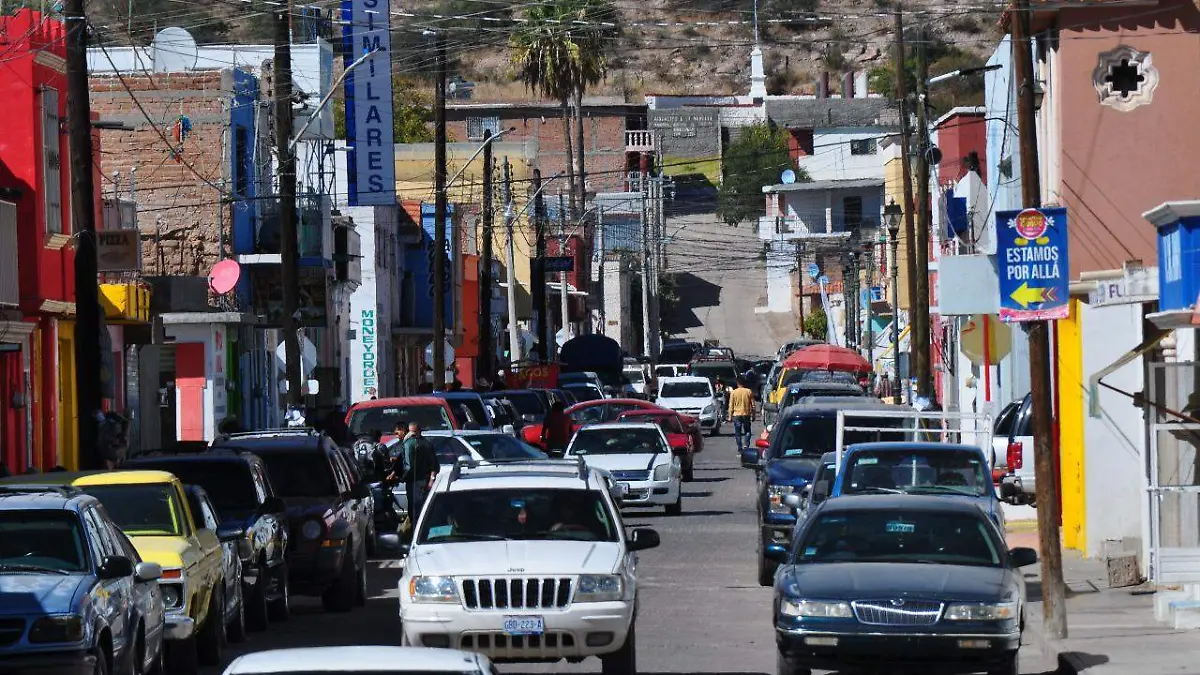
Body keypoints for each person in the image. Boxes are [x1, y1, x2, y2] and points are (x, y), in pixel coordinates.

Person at [397, 422, 439, 529]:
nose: (411, 434)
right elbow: (434, 465)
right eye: (410, 432)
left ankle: (417, 531)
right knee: (421, 509)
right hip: (421, 481)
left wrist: (402, 478)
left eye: (413, 432)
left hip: (416, 481)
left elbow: (433, 465)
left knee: (416, 509)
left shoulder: (410, 444)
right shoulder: (425, 443)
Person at [727, 378, 755, 456]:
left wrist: (730, 416)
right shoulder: (749, 391)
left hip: (736, 414)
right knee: (747, 431)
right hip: (746, 414)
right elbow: (753, 405)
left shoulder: (733, 392)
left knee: (738, 433)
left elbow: (731, 405)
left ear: (737, 384)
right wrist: (753, 415)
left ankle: (740, 449)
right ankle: (746, 445)